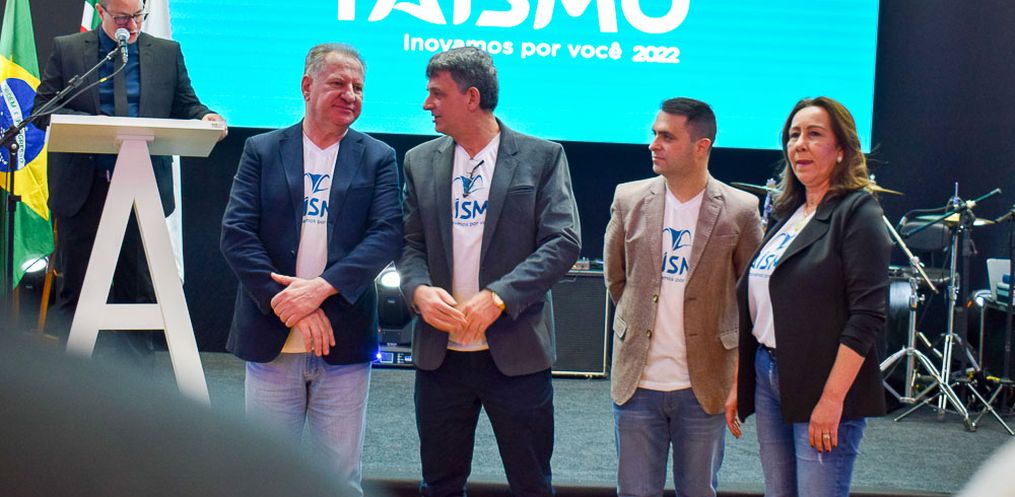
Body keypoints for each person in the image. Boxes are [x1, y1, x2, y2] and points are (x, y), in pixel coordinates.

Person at [397, 46, 581, 497]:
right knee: (439, 485)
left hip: (516, 354)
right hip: (441, 358)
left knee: (531, 485)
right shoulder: (419, 161)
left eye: (437, 94)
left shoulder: (542, 157)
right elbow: (409, 244)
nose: (427, 104)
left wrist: (499, 297)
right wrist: (418, 290)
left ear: (472, 97)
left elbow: (563, 241)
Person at [219, 43, 401, 497]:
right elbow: (237, 234)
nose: (350, 95)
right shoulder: (262, 150)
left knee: (338, 480)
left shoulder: (378, 156)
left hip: (345, 340)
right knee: (264, 478)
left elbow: (385, 236)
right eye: (338, 83)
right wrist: (291, 304)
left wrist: (319, 290)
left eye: (358, 87)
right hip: (272, 336)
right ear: (307, 86)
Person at [34, 0, 226, 362]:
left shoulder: (166, 53)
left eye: (138, 16)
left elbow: (186, 104)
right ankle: (70, 387)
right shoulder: (69, 49)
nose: (133, 26)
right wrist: (91, 125)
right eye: (122, 17)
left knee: (137, 293)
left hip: (143, 190)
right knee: (77, 294)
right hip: (84, 191)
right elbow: (43, 109)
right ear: (102, 12)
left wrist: (206, 117)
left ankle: (135, 385)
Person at [729, 96, 891, 497]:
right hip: (769, 373)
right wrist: (738, 381)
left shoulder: (859, 212)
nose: (799, 144)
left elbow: (867, 316)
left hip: (823, 382)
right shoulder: (788, 213)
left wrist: (832, 400)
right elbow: (758, 305)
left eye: (814, 134)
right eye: (793, 135)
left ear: (841, 150)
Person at [604, 97, 763, 497]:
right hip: (637, 384)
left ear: (701, 146)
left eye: (666, 137)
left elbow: (752, 298)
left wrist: (738, 380)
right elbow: (616, 280)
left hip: (705, 385)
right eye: (654, 134)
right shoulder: (628, 199)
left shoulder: (741, 210)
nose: (653, 144)